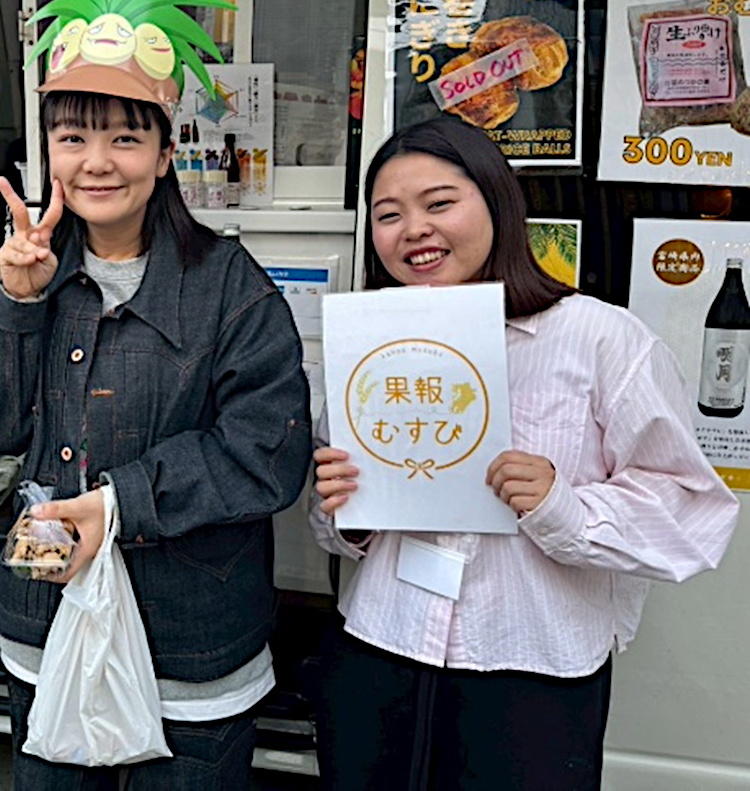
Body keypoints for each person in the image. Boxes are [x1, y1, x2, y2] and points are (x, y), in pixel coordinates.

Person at [0, 0, 312, 789]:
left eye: (124, 136)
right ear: (49, 151)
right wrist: (15, 301)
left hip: (193, 646)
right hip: (44, 622)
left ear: (165, 150)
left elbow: (268, 452)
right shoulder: (30, 272)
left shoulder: (233, 289)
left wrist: (120, 505)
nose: (97, 161)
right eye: (73, 136)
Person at [309, 117, 739, 790]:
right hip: (379, 648)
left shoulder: (599, 338)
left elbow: (691, 512)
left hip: (530, 670)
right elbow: (334, 525)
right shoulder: (372, 345)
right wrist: (346, 512)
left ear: (498, 202)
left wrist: (561, 506)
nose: (414, 229)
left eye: (440, 203)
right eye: (388, 215)